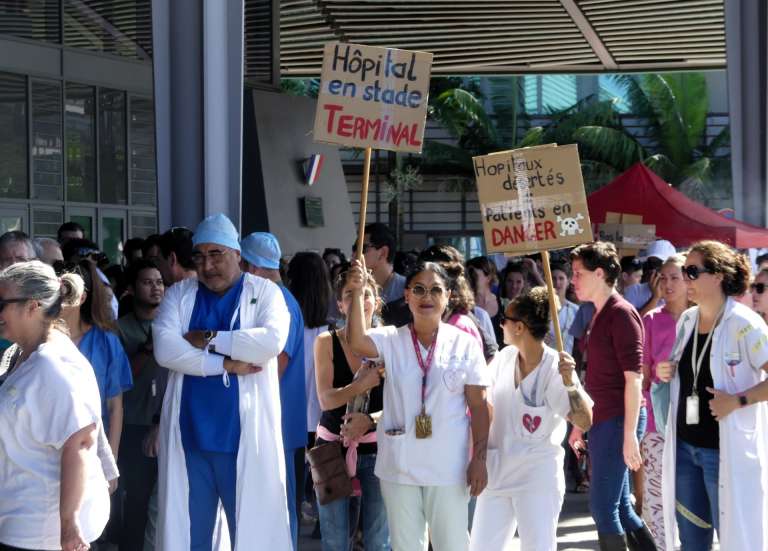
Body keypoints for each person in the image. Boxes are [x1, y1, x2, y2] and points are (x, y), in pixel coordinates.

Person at [153, 214, 291, 550]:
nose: (207, 265)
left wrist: (208, 338)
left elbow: (269, 343)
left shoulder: (266, 293)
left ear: (237, 254)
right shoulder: (180, 294)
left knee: (251, 537)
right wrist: (227, 364)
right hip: (191, 439)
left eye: (216, 254)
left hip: (242, 439)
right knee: (190, 538)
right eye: (199, 256)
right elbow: (166, 350)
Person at [347, 260, 490, 551]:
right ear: (407, 295)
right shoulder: (391, 339)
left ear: (448, 296)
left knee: (452, 546)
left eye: (435, 290)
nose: (427, 297)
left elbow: (479, 407)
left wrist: (479, 459)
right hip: (400, 467)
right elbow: (357, 341)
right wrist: (358, 291)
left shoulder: (464, 344)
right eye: (419, 289)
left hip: (448, 469)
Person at [656, 241, 768, 551]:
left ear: (718, 276)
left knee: (735, 540)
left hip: (723, 452)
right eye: (684, 271)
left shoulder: (745, 324)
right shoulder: (687, 320)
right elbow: (687, 372)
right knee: (692, 542)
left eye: (692, 271)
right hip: (685, 448)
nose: (685, 278)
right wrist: (668, 371)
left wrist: (738, 400)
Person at [469, 287, 593, 551]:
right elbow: (482, 404)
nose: (500, 324)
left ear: (519, 327)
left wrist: (571, 384)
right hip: (498, 473)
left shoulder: (555, 367)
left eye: (505, 320)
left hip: (537, 479)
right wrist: (477, 457)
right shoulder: (503, 359)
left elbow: (585, 421)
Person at [0, 261, 111, 551]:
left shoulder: (54, 363)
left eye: (2, 303)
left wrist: (69, 524)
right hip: (21, 519)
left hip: (40, 530)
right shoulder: (24, 354)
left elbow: (81, 441)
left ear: (32, 306)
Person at [567, 242, 656, 550]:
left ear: (599, 273)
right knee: (620, 509)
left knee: (603, 509)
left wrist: (629, 435)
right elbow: (595, 379)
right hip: (605, 418)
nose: (574, 280)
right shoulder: (599, 313)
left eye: (578, 273)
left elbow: (634, 379)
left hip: (619, 419)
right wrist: (580, 424)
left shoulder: (621, 314)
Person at [314, 266, 390, 551]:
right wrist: (361, 384)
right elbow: (326, 399)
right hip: (330, 447)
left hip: (377, 447)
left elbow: (401, 406)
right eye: (350, 294)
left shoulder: (390, 343)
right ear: (340, 304)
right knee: (334, 540)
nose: (359, 300)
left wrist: (370, 420)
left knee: (378, 540)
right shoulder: (326, 341)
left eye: (365, 294)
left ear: (377, 302)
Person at [241, 232, 308, 550]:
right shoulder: (278, 298)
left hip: (277, 423)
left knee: (279, 505)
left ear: (252, 268)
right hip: (278, 421)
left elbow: (275, 366)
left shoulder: (279, 302)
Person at [116, 259, 167, 551]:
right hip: (134, 423)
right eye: (147, 282)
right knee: (136, 500)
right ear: (133, 289)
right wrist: (147, 349)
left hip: (168, 423)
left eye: (159, 282)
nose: (156, 288)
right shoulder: (120, 329)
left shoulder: (171, 324)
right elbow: (122, 378)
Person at [639, 254, 688, 550]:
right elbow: (642, 376)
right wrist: (657, 374)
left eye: (674, 277)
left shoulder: (703, 319)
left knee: (691, 501)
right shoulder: (650, 320)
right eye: (663, 277)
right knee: (656, 500)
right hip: (657, 423)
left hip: (696, 424)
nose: (667, 284)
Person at [467, 256, 504, 347]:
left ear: (488, 277)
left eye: (474, 275)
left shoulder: (503, 303)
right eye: (468, 275)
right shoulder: (466, 305)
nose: (470, 279)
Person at [547, 261, 578, 355]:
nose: (557, 282)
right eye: (553, 278)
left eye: (561, 278)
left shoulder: (575, 310)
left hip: (565, 361)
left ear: (568, 281)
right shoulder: (539, 308)